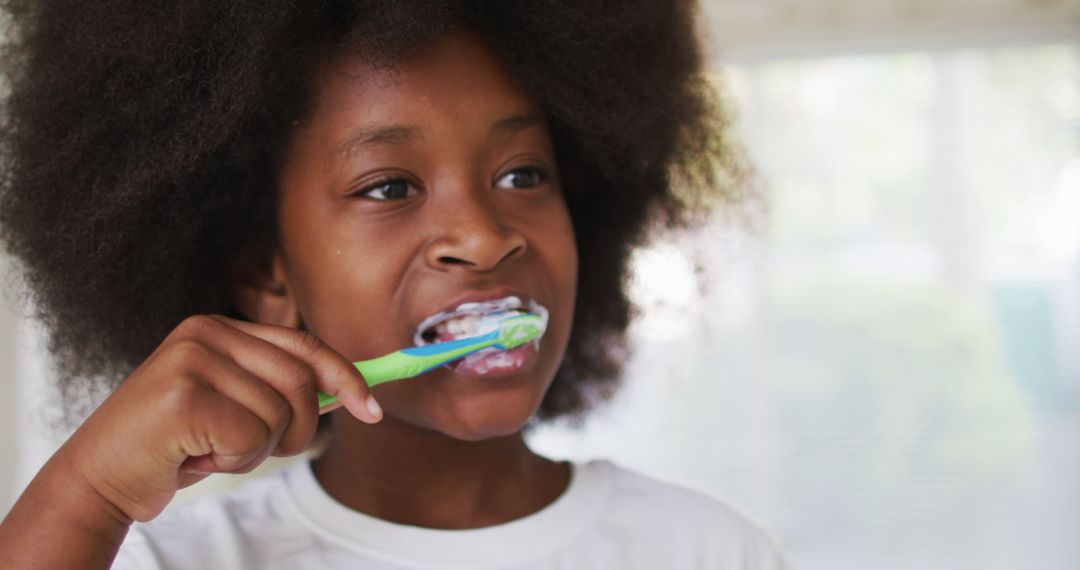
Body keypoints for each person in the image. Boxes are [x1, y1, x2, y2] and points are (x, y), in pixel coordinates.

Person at [0, 1, 787, 568]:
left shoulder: (709, 550)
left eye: (523, 173)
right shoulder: (172, 560)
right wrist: (88, 492)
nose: (483, 235)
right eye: (389, 187)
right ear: (266, 275)